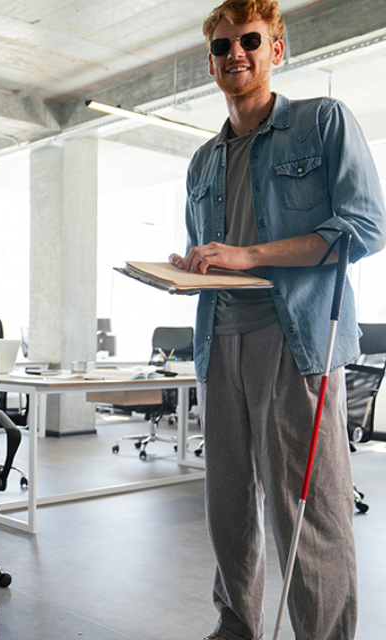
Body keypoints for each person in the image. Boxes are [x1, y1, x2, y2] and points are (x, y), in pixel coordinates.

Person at [168, 1, 385, 638]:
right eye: (223, 45)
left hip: (294, 342)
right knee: (229, 509)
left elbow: (366, 228)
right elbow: (216, 251)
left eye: (250, 40)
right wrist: (193, 269)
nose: (236, 53)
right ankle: (236, 626)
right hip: (219, 343)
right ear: (210, 61)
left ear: (277, 50)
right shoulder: (203, 162)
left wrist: (248, 254)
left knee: (307, 515)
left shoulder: (322, 123)